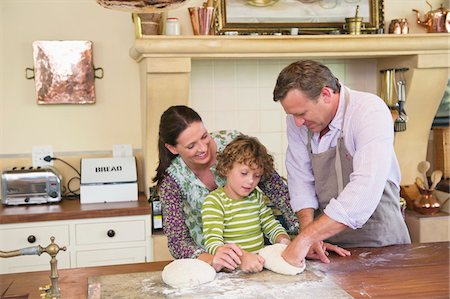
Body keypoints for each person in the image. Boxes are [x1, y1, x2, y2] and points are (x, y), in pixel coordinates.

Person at [272, 60, 411, 267]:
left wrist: (305, 239)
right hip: (329, 246)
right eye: (293, 115)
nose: (298, 122)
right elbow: (300, 179)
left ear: (326, 95)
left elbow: (363, 191)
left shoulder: (368, 111)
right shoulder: (298, 121)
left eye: (302, 113)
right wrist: (311, 235)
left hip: (381, 243)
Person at [153, 105, 298, 272]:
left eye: (204, 136)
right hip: (207, 265)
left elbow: (279, 192)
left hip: (253, 260)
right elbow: (177, 242)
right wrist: (216, 260)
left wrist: (304, 237)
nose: (203, 148)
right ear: (172, 148)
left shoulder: (233, 144)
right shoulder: (172, 180)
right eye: (191, 145)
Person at [201, 135, 291, 273]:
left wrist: (284, 241)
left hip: (258, 268)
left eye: (257, 176)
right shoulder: (214, 202)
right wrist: (241, 257)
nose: (251, 181)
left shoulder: (256, 197)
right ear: (226, 169)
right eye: (244, 173)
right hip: (231, 272)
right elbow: (214, 243)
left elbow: (271, 226)